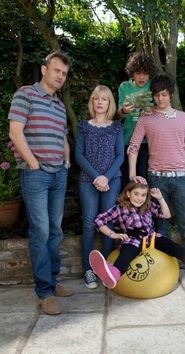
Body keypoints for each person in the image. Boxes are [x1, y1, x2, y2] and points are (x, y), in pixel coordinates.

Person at [8, 51, 75, 315]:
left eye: (65, 74)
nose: (61, 76)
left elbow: (62, 137)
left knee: (55, 231)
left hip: (59, 174)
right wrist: (34, 164)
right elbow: (15, 131)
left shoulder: (58, 105)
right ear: (44, 68)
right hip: (36, 175)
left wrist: (66, 163)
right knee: (41, 231)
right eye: (57, 70)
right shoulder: (25, 94)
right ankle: (44, 292)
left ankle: (53, 280)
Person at [89, 182, 185, 292]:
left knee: (181, 251)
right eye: (136, 194)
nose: (140, 198)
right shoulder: (119, 209)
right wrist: (113, 234)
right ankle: (114, 274)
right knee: (128, 252)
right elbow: (99, 220)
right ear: (128, 194)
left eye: (143, 195)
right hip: (133, 239)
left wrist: (160, 198)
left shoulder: (148, 206)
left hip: (152, 238)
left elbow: (167, 215)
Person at [128, 74, 185, 258]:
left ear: (170, 94)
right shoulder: (146, 118)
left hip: (180, 179)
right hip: (156, 179)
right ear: (152, 96)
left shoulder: (184, 118)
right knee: (160, 226)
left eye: (163, 94)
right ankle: (163, 268)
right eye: (156, 95)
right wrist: (132, 174)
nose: (160, 99)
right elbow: (133, 146)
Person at [75, 85, 124, 289]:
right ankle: (88, 269)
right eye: (96, 98)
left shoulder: (116, 127)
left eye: (104, 99)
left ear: (109, 103)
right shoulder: (83, 126)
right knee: (88, 224)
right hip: (88, 181)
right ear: (92, 102)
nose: (100, 102)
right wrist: (97, 177)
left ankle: (104, 267)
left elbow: (120, 155)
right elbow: (79, 155)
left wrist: (106, 177)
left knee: (108, 224)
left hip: (112, 181)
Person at [117, 52, 156, 186]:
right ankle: (127, 207)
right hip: (127, 138)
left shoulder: (153, 85)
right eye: (138, 73)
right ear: (132, 73)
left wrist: (151, 110)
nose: (142, 77)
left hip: (147, 141)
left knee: (144, 178)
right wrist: (124, 110)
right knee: (127, 179)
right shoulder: (124, 87)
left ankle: (145, 207)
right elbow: (119, 115)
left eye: (145, 73)